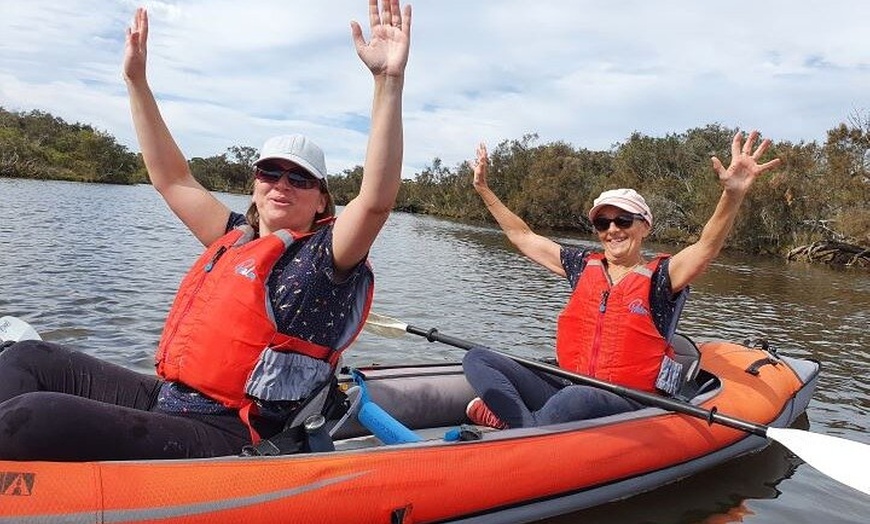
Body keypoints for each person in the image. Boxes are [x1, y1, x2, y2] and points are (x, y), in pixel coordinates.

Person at [0, 0, 412, 461]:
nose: (282, 185)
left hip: (228, 429)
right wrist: (136, 82)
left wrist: (387, 82)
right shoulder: (234, 235)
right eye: (270, 173)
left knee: (33, 417)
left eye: (300, 179)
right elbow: (171, 178)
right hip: (171, 398)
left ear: (321, 200)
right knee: (26, 360)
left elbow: (375, 202)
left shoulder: (327, 259)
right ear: (254, 185)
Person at [463, 132, 781, 429]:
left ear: (644, 227)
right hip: (567, 383)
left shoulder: (661, 277)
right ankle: (527, 426)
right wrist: (484, 190)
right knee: (477, 358)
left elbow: (706, 246)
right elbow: (522, 235)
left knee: (575, 398)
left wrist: (732, 194)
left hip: (626, 400)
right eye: (603, 222)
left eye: (623, 220)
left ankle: (513, 429)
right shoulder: (580, 265)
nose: (612, 229)